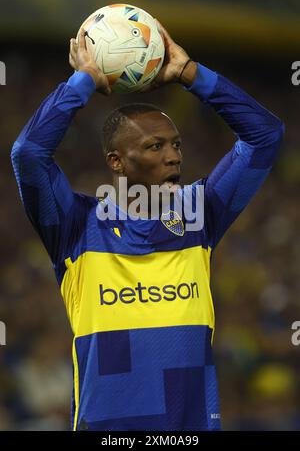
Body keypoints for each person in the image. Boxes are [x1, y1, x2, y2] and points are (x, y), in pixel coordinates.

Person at [11, 23, 284, 431]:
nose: (173, 156)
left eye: (176, 145)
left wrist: (192, 74)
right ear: (116, 161)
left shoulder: (200, 214)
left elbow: (264, 136)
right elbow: (29, 153)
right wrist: (83, 81)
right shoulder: (75, 226)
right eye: (155, 146)